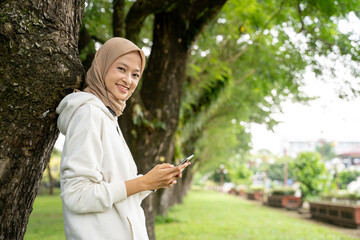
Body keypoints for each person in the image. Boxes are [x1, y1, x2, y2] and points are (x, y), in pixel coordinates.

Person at [56, 37, 190, 240]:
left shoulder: (109, 117)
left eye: (135, 74)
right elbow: (77, 195)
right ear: (102, 66)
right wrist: (144, 182)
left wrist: (153, 182)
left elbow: (117, 193)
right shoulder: (89, 114)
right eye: (121, 69)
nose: (128, 80)